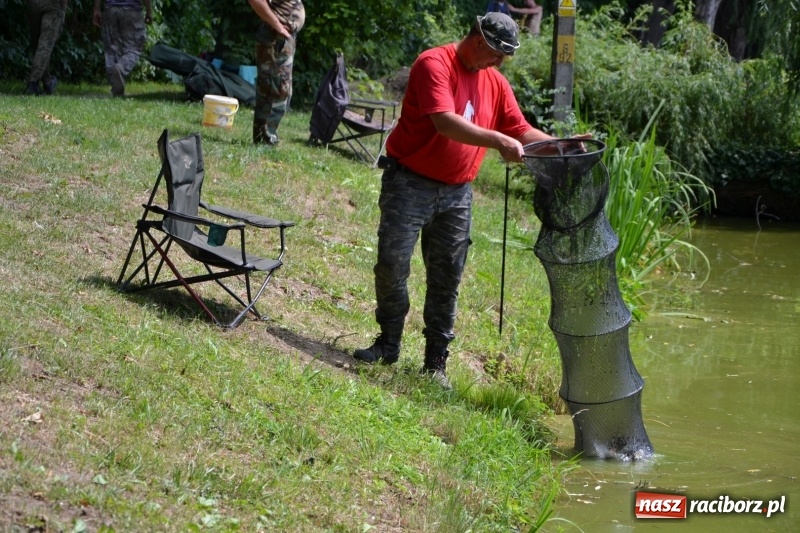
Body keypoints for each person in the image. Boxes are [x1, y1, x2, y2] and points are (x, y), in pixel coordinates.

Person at [353, 12, 590, 389]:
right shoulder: (434, 63)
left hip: (456, 193)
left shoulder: (495, 82)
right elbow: (444, 122)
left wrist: (559, 146)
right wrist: (497, 141)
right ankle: (388, 342)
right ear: (479, 40)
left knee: (448, 277)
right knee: (391, 264)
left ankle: (435, 363)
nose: (500, 63)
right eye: (498, 54)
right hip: (409, 183)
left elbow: (520, 129)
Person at [247, 0, 305, 145]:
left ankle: (264, 137)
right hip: (274, 36)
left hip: (281, 38)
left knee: (276, 88)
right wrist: (277, 25)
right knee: (276, 89)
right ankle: (264, 138)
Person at [92, 0, 153, 97]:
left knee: (112, 49)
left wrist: (96, 9)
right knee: (134, 47)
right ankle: (121, 68)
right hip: (131, 10)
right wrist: (149, 12)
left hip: (110, 10)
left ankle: (116, 89)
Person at [26, 0, 68, 96]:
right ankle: (33, 83)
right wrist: (63, 8)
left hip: (34, 4)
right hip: (54, 4)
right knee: (45, 45)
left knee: (37, 45)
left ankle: (47, 81)